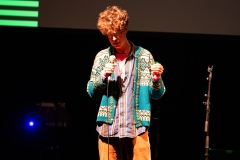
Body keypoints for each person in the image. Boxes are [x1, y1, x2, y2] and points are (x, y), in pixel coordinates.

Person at [86, 5, 166, 160]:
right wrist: (103, 76)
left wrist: (156, 78)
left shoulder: (144, 56)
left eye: (118, 34)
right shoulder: (102, 57)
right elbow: (91, 92)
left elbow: (157, 94)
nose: (114, 39)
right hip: (108, 127)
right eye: (110, 35)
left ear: (126, 29)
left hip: (137, 127)